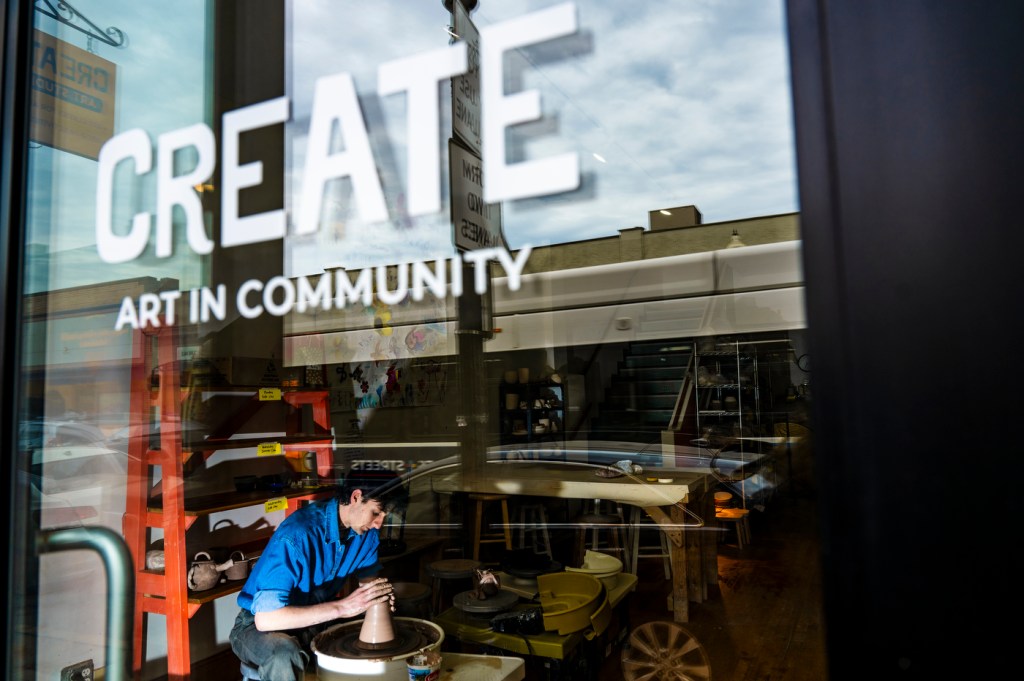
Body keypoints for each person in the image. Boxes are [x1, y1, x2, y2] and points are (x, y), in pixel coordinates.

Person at [229, 473, 405, 680]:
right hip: (257, 627)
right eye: (376, 512)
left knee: (401, 622)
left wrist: (377, 596)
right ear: (356, 497)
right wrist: (344, 607)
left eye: (385, 516)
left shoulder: (366, 534)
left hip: (316, 620)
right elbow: (266, 620)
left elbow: (369, 582)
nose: (379, 524)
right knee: (284, 654)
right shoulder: (298, 534)